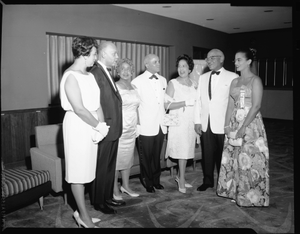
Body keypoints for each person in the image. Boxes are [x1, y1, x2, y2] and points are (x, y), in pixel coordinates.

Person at [60, 36, 109, 228]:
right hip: (77, 126)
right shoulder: (70, 76)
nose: (95, 58)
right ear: (84, 53)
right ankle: (84, 218)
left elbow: (96, 104)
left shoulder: (89, 76)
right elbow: (79, 109)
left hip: (92, 125)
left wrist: (102, 125)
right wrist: (98, 125)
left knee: (87, 171)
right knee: (78, 173)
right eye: (94, 54)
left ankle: (81, 212)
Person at [216, 48, 269, 207]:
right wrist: (226, 125)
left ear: (248, 61)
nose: (236, 63)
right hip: (234, 122)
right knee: (234, 159)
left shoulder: (255, 80)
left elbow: (256, 106)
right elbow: (230, 105)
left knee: (249, 160)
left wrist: (243, 127)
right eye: (235, 60)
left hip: (250, 123)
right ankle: (234, 192)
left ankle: (250, 197)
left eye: (239, 59)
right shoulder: (235, 81)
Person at [194, 49, 239, 192]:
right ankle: (207, 181)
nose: (208, 61)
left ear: (221, 59)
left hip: (223, 123)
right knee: (206, 155)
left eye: (212, 58)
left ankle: (224, 182)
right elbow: (198, 101)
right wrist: (197, 121)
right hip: (206, 123)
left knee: (223, 155)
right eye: (207, 59)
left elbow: (235, 103)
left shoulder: (233, 77)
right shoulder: (203, 77)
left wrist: (231, 124)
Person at [89, 41, 124, 215]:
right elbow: (94, 104)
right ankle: (98, 202)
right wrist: (101, 127)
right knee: (102, 167)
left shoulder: (106, 72)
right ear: (103, 55)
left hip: (113, 128)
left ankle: (107, 196)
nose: (117, 57)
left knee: (109, 166)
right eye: (114, 54)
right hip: (105, 128)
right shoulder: (95, 73)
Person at [131, 54, 167, 193]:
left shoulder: (163, 80)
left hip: (160, 125)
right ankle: (148, 182)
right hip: (145, 126)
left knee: (156, 156)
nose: (158, 63)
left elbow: (164, 102)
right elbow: (134, 106)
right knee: (145, 157)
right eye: (155, 62)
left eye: (158, 61)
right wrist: (138, 126)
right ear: (146, 64)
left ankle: (156, 180)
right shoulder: (137, 81)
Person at [164, 54, 197, 194]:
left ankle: (179, 176)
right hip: (178, 122)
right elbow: (166, 105)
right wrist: (184, 102)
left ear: (190, 69)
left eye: (184, 66)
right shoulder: (173, 83)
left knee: (187, 151)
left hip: (190, 122)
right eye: (179, 66)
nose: (181, 69)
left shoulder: (194, 84)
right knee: (182, 152)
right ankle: (181, 179)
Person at [113, 58, 140, 200]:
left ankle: (125, 186)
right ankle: (114, 189)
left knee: (128, 159)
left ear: (132, 71)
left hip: (132, 129)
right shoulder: (115, 87)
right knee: (116, 160)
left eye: (128, 69)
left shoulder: (135, 87)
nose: (125, 72)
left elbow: (137, 108)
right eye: (122, 69)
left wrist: (139, 126)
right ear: (117, 71)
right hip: (119, 129)